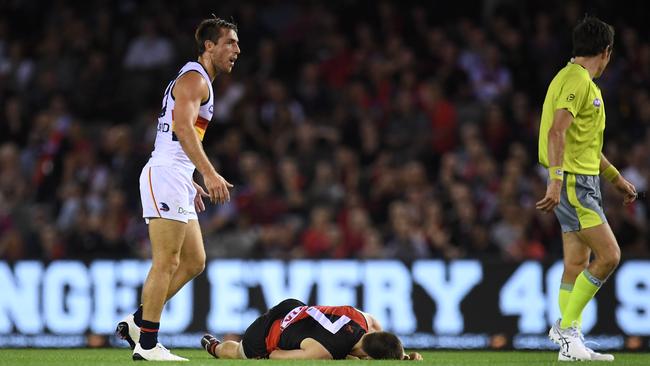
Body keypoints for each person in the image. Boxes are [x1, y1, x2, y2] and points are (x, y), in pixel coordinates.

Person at [115, 16, 240, 361]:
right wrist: (209, 174)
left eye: (238, 44)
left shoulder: (200, 81)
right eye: (230, 42)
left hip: (178, 176)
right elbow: (183, 130)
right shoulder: (194, 79)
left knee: (194, 261)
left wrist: (191, 178)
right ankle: (148, 345)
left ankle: (140, 322)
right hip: (166, 173)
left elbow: (180, 132)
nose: (237, 50)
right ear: (209, 46)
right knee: (166, 260)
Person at [536, 16, 637, 362]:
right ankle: (565, 330)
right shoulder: (577, 81)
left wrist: (616, 179)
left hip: (581, 177)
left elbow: (585, 145)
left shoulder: (575, 80)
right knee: (609, 256)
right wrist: (556, 179)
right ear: (606, 51)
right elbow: (557, 132)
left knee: (576, 262)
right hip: (574, 183)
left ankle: (570, 344)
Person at [200, 298, 423, 361]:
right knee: (240, 352)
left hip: (294, 307)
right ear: (366, 355)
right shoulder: (323, 351)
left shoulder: (363, 320)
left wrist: (401, 355)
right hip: (268, 330)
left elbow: (376, 327)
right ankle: (216, 347)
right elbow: (276, 354)